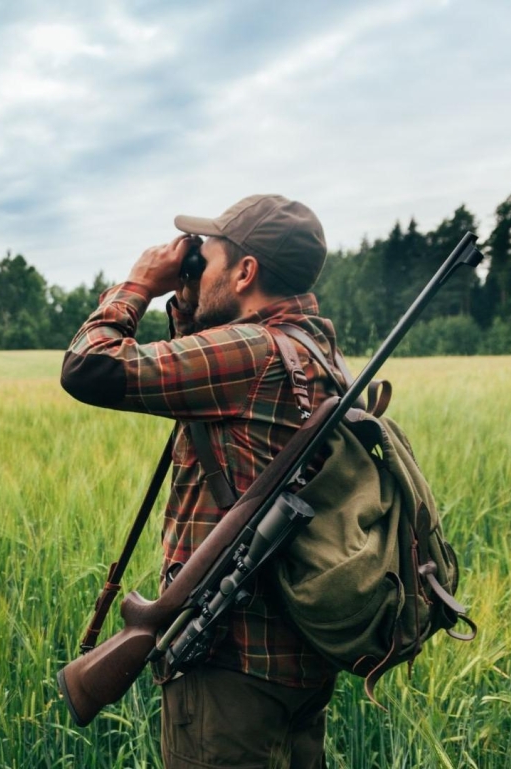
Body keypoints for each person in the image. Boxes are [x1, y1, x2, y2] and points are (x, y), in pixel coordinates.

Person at [61, 194, 341, 768]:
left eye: (204, 258)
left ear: (245, 271)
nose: (192, 266)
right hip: (300, 662)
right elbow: (203, 388)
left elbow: (88, 365)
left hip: (227, 670)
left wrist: (138, 284)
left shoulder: (250, 353)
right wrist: (193, 301)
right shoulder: (315, 351)